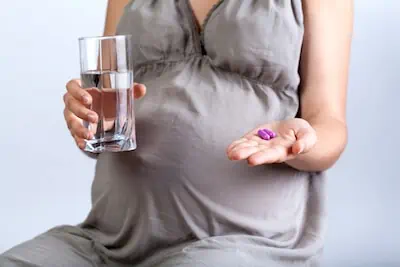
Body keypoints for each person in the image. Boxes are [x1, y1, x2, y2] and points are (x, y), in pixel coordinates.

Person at [0, 0, 353, 266]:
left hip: (242, 241)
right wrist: (86, 118)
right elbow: (107, 116)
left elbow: (329, 126)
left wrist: (299, 142)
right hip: (107, 241)